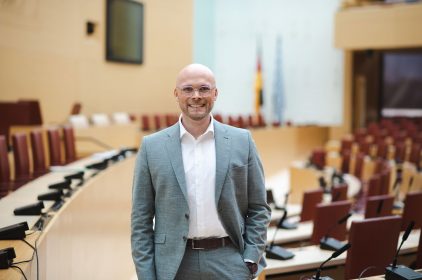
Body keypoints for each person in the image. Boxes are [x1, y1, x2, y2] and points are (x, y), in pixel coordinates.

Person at [131, 63, 271, 280]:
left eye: (204, 89)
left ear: (215, 94)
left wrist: (251, 258)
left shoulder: (242, 141)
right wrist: (147, 275)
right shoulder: (152, 147)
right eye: (188, 89)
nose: (196, 96)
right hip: (173, 265)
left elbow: (259, 207)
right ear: (176, 94)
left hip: (230, 261)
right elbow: (141, 220)